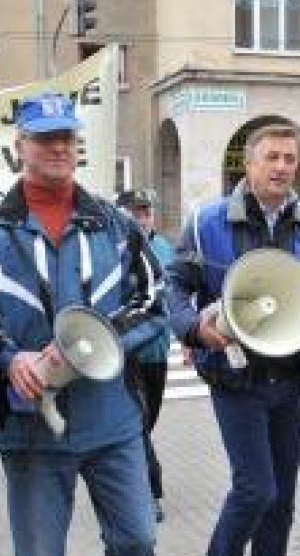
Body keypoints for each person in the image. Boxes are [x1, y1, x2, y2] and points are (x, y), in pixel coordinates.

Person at [0, 92, 165, 556]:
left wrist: (98, 342)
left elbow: (153, 304)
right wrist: (9, 360)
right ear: (19, 146)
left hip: (111, 418)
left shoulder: (115, 225)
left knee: (138, 543)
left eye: (66, 137)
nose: (57, 147)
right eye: (44, 137)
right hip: (29, 427)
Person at [167, 124, 300, 556]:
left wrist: (290, 288)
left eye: (290, 158)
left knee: (283, 495)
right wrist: (193, 328)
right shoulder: (207, 222)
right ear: (247, 165)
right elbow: (175, 286)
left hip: (291, 377)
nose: (282, 167)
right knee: (256, 488)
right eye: (271, 157)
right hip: (235, 377)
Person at [118, 188, 175, 522]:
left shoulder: (165, 247)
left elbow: (174, 296)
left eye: (145, 212)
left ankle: (134, 469)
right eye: (134, 212)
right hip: (129, 353)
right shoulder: (117, 247)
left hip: (158, 353)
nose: (141, 218)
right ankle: (150, 492)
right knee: (137, 424)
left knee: (147, 421)